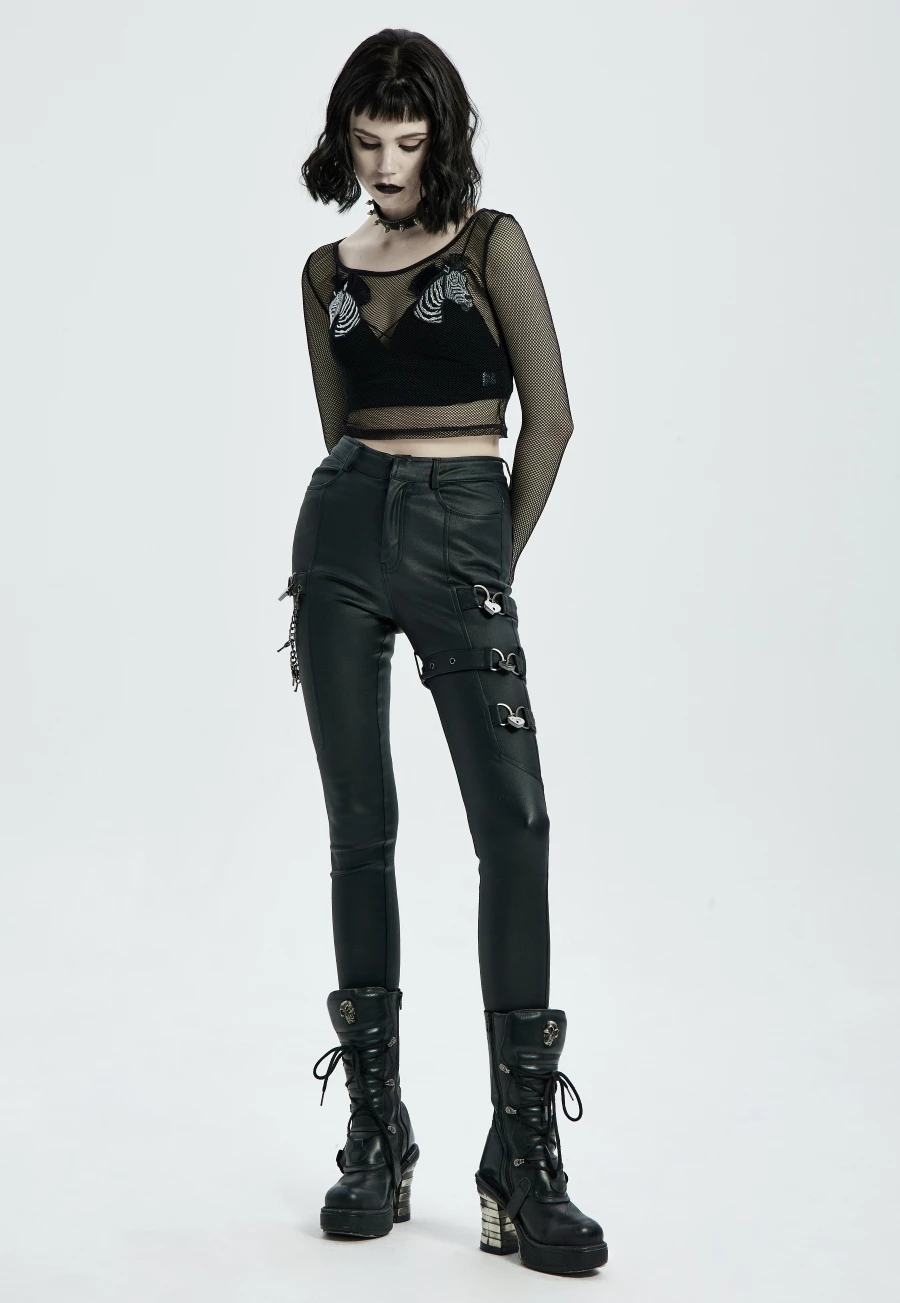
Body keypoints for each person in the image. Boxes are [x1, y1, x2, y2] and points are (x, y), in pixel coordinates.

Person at [280, 27, 608, 1276]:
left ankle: (521, 1156)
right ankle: (378, 1134)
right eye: (367, 141)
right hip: (340, 538)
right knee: (359, 830)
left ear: (443, 138)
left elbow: (552, 420)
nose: (386, 165)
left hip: (465, 523)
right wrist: (342, 554)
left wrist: (489, 569)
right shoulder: (324, 270)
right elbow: (339, 430)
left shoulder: (489, 246)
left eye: (407, 141)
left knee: (514, 826)